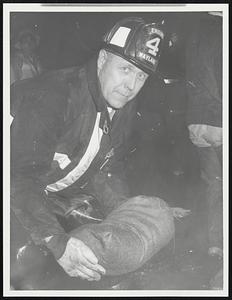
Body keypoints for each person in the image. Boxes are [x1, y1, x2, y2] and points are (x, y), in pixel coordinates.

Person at [10, 17, 175, 286]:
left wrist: (124, 212)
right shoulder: (55, 94)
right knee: (27, 269)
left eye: (141, 75)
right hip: (14, 189)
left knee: (155, 212)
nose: (131, 85)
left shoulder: (121, 104)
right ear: (102, 60)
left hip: (47, 191)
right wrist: (56, 241)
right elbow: (17, 177)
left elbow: (107, 168)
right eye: (124, 69)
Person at [185, 12, 223, 287]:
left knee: (214, 184)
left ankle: (215, 244)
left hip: (195, 123)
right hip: (219, 120)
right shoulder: (222, 31)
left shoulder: (194, 32)